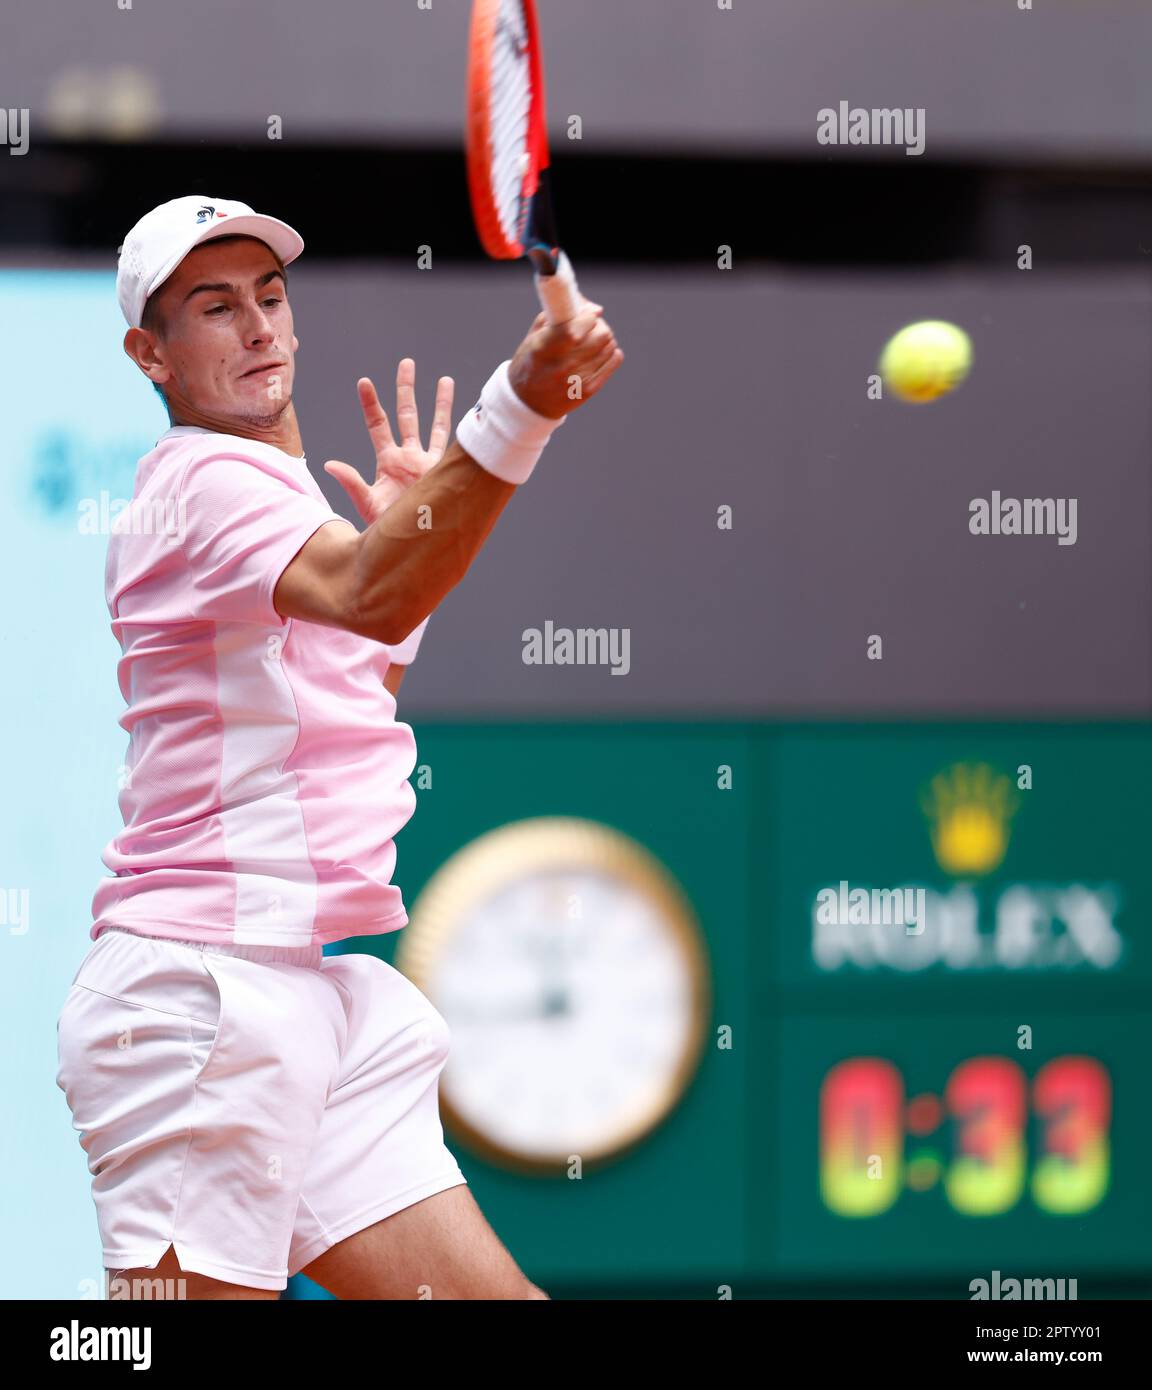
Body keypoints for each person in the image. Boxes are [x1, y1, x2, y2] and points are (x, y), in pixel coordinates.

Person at [54, 195, 623, 1300]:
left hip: (312, 1003)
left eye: (270, 297)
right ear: (150, 355)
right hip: (195, 1005)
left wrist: (418, 548)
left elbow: (357, 678)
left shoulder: (266, 504)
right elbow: (369, 586)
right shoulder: (202, 484)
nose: (259, 327)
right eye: (214, 309)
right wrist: (521, 407)